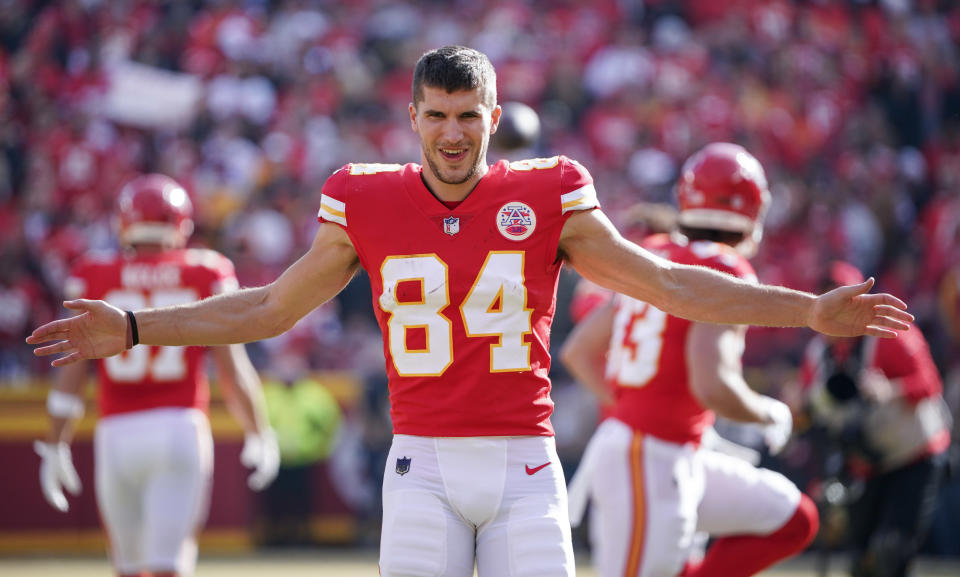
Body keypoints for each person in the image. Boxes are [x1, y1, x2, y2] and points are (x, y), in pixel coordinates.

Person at [27, 46, 913, 577]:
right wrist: (138, 328)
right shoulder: (362, 199)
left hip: (529, 462)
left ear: (495, 117)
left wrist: (807, 311)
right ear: (412, 117)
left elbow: (668, 282)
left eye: (470, 117)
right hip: (420, 466)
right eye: (438, 116)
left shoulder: (553, 190)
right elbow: (267, 307)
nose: (454, 134)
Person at [560, 142, 819, 577]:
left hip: (670, 449)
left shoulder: (656, 253)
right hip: (650, 454)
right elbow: (712, 384)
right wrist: (766, 413)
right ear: (752, 206)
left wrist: (631, 406)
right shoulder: (726, 268)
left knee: (792, 518)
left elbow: (579, 352)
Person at [33, 174, 280, 577]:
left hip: (116, 435)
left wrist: (55, 442)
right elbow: (233, 370)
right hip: (179, 430)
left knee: (128, 569)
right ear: (180, 222)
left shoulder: (95, 272)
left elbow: (71, 372)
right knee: (170, 566)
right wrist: (259, 430)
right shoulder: (206, 270)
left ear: (124, 222)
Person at [796, 261, 952, 577]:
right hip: (865, 465)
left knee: (891, 551)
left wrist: (890, 389)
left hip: (914, 456)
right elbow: (810, 415)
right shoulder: (817, 356)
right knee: (860, 560)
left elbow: (931, 384)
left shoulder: (889, 333)